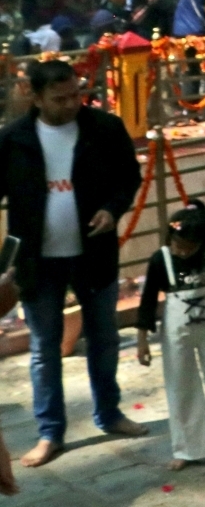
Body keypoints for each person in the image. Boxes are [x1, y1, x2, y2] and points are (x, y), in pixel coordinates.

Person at [0, 60, 145, 467]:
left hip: (94, 254)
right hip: (37, 261)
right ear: (36, 95)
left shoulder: (103, 129)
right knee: (45, 349)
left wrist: (112, 210)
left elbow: (128, 178)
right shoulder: (15, 139)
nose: (70, 104)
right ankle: (51, 432)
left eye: (75, 95)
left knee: (105, 338)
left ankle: (110, 413)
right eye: (59, 99)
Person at [134, 200, 205, 469]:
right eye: (177, 244)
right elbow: (148, 301)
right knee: (182, 387)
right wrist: (142, 341)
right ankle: (188, 447)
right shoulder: (160, 260)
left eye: (188, 247)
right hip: (177, 333)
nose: (181, 251)